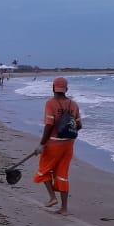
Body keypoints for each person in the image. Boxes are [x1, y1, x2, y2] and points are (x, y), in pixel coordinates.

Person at [33, 77, 82, 215]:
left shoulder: (50, 103)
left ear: (53, 88)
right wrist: (67, 134)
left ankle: (52, 197)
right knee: (62, 175)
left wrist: (42, 144)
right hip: (68, 145)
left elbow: (49, 125)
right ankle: (64, 208)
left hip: (53, 144)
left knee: (44, 170)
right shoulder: (74, 104)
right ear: (66, 89)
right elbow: (79, 126)